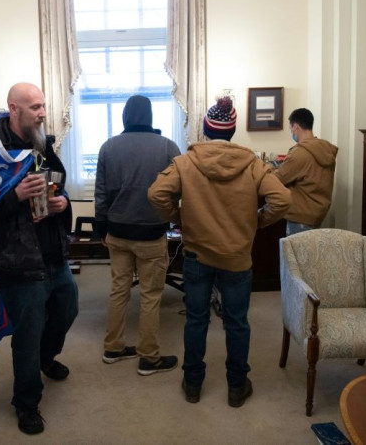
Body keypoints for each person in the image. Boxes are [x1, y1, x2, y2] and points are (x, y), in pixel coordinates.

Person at [147, 96, 290, 407]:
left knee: (196, 321)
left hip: (197, 256)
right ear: (233, 130)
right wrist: (256, 222)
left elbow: (157, 194)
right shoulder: (253, 164)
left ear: (205, 128)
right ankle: (237, 386)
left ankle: (193, 384)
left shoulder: (186, 163)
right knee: (237, 322)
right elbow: (282, 200)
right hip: (237, 258)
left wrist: (179, 217)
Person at [0, 83, 78, 435]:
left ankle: (45, 359)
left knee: (67, 309)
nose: (42, 112)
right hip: (19, 262)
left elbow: (59, 184)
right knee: (27, 333)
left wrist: (63, 202)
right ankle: (26, 403)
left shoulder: (43, 142)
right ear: (14, 108)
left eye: (43, 106)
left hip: (53, 253)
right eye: (35, 107)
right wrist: (14, 196)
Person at [94, 95, 181, 376]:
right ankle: (149, 358)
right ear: (150, 117)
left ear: (125, 117)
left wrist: (100, 227)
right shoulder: (167, 146)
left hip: (117, 233)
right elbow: (178, 189)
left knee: (119, 290)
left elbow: (100, 194)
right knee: (150, 295)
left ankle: (113, 348)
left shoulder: (108, 147)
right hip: (151, 234)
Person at [274, 108, 338, 237]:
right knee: (309, 255)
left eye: (290, 128)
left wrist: (266, 168)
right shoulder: (325, 149)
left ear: (295, 126)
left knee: (294, 256)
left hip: (300, 216)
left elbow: (277, 179)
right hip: (317, 213)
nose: (291, 132)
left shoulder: (300, 153)